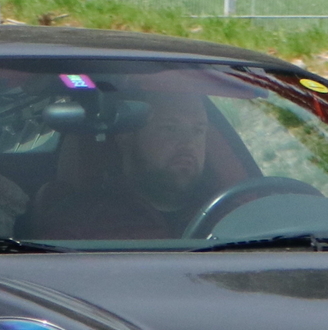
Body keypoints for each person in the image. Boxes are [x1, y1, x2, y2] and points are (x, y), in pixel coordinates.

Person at [26, 89, 219, 239]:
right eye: (170, 128)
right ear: (126, 136)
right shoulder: (82, 226)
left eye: (198, 130)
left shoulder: (227, 214)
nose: (188, 143)